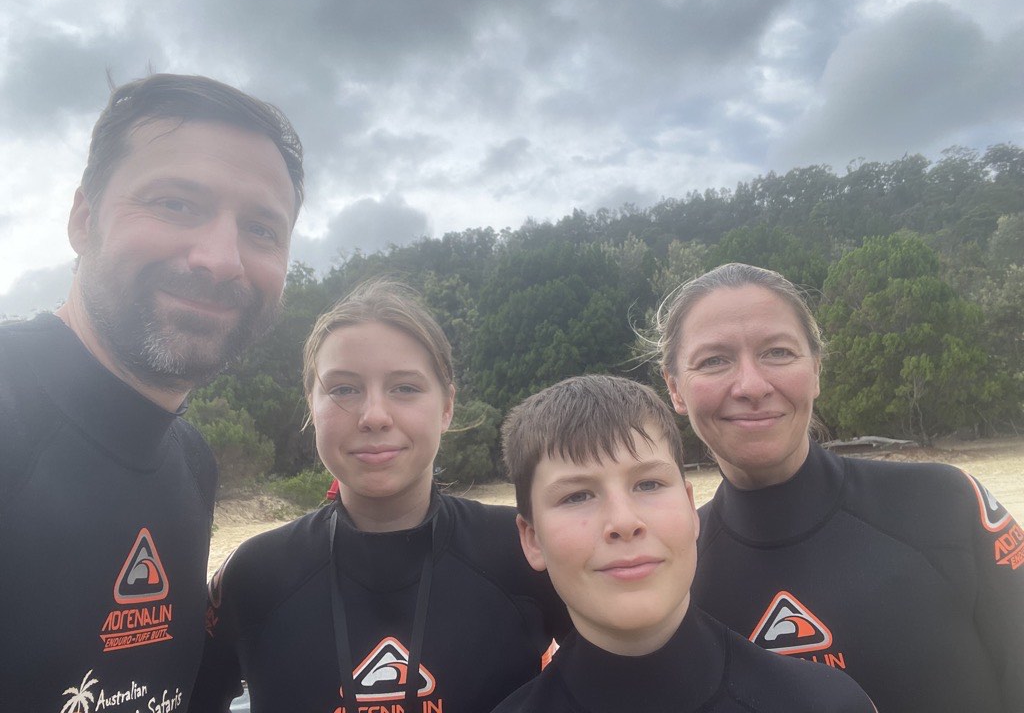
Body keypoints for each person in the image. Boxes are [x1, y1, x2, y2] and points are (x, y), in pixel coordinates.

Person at [0, 73, 304, 711]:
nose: (221, 258)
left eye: (262, 229)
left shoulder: (192, 461)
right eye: (175, 203)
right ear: (84, 219)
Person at [657, 262, 1024, 713]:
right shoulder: (669, 569)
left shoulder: (943, 503)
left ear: (816, 369)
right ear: (675, 388)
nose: (751, 385)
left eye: (778, 352)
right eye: (714, 360)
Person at [190, 280, 569, 712]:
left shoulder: (525, 551)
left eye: (405, 387)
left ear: (447, 407)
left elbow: (620, 674)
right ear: (311, 406)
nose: (374, 416)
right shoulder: (255, 573)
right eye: (344, 389)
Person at [494, 374, 876, 712]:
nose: (624, 522)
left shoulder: (828, 703)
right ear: (532, 539)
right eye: (577, 496)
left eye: (648, 484)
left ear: (692, 508)